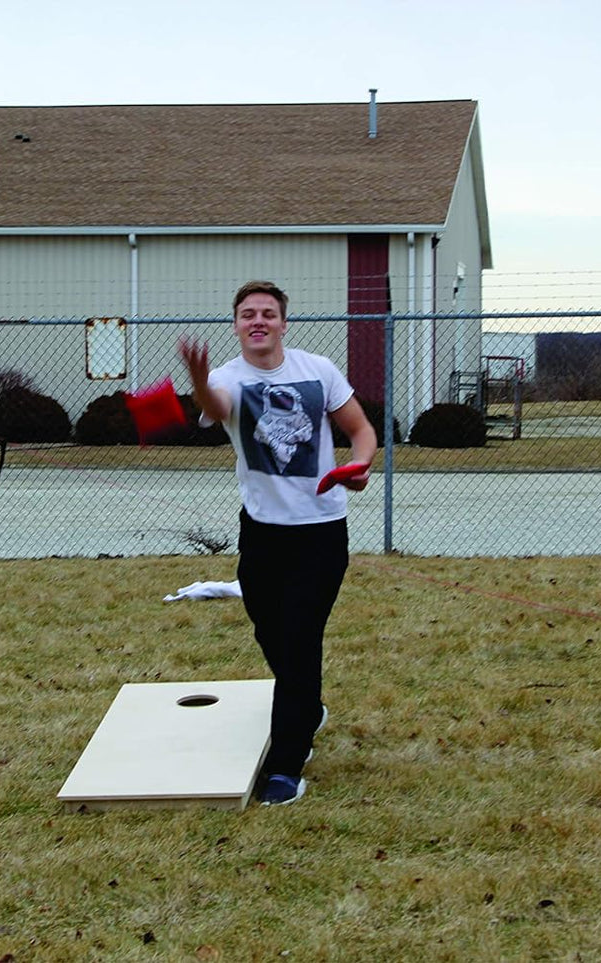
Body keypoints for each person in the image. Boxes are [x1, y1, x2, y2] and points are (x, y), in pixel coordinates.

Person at [179, 280, 377, 806]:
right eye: (248, 314)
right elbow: (216, 406)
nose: (258, 320)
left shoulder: (319, 371)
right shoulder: (226, 378)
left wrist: (360, 465)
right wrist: (198, 380)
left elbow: (361, 431)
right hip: (261, 534)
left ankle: (286, 765)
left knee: (299, 639)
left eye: (268, 313)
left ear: (284, 323)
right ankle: (307, 708)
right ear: (237, 324)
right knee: (270, 630)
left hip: (321, 532)